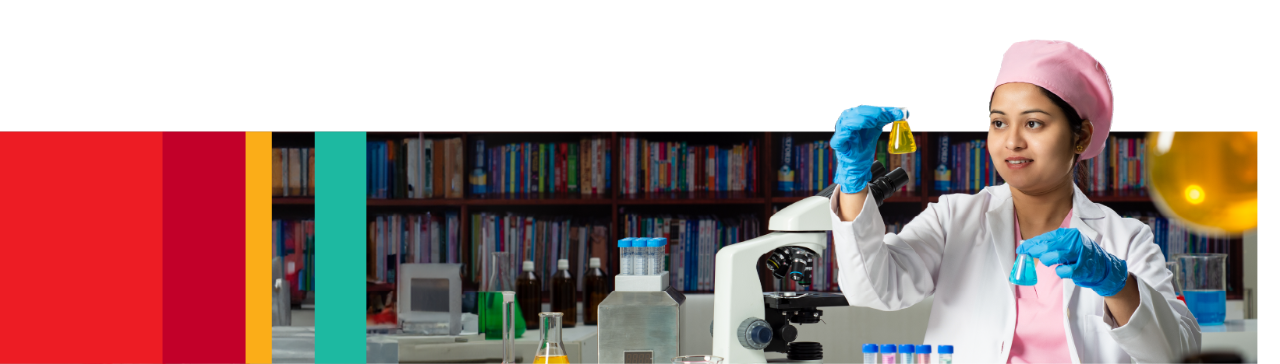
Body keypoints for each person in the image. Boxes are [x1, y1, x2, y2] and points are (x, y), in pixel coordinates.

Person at [829, 40, 1199, 363]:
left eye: (1034, 123)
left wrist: (1115, 283)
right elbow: (873, 290)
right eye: (999, 123)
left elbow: (1178, 353)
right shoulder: (954, 219)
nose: (1012, 142)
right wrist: (853, 183)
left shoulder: (1126, 239)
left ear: (1081, 137)